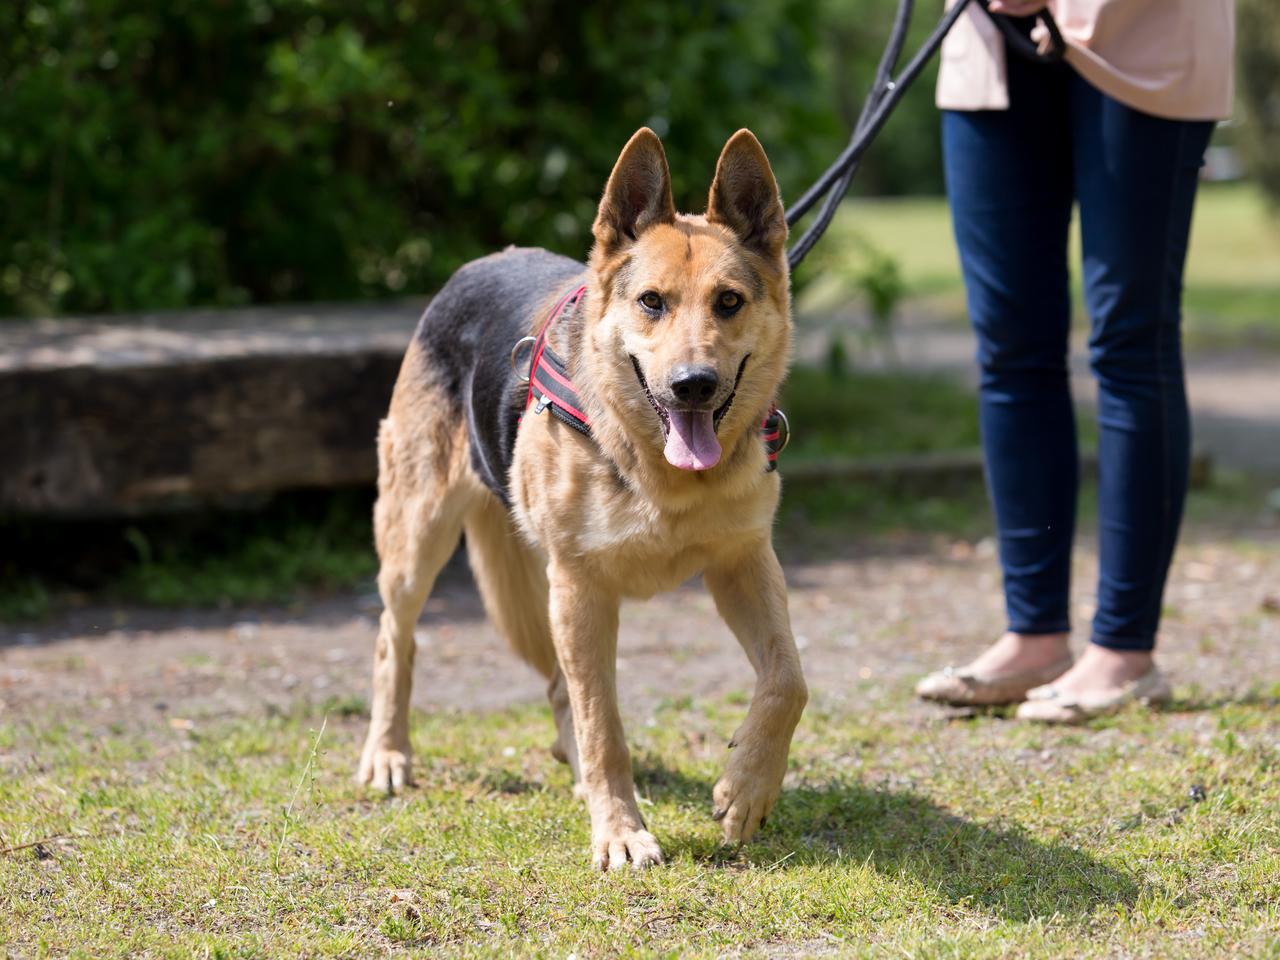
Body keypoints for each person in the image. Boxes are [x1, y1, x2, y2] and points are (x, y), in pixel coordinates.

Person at [915, 0, 1236, 721]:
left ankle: (1125, 651)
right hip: (986, 49)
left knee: (1131, 340)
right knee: (1009, 348)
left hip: (1145, 36)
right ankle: (1035, 636)